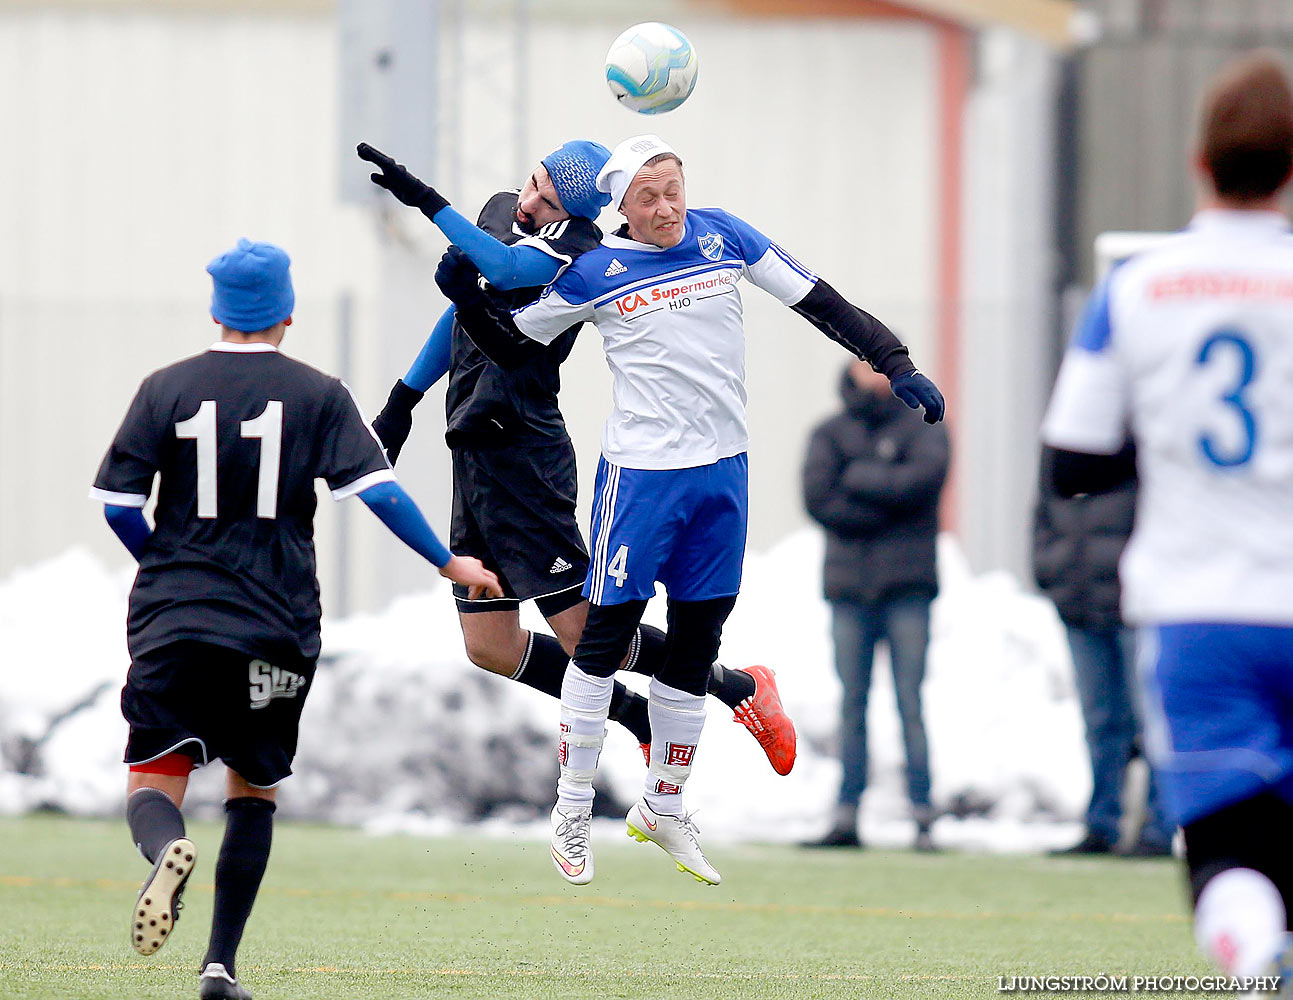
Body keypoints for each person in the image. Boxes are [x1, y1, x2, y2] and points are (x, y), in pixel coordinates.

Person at [437, 133, 945, 886]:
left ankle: (663, 805)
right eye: (649, 196)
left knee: (694, 639)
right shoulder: (593, 271)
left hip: (722, 478)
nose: (667, 205)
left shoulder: (724, 235)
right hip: (640, 480)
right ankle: (572, 809)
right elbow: (512, 345)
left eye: (674, 188)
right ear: (621, 210)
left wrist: (893, 360)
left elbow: (821, 302)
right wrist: (464, 299)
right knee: (597, 639)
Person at [89, 239, 500, 1000]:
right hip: (275, 630)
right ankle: (219, 968)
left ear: (215, 309)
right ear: (287, 312)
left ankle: (165, 852)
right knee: (253, 787)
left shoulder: (164, 389)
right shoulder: (317, 394)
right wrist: (450, 563)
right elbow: (377, 491)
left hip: (174, 623)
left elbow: (116, 503)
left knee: (155, 775)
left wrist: (163, 563)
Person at [355, 141, 796, 778]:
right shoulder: (503, 211)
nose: (529, 202)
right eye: (531, 184)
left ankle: (739, 688)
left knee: (593, 641)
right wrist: (404, 399)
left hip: (525, 459)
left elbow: (503, 273)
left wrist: (426, 201)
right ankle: (641, 716)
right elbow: (461, 308)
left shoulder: (579, 252)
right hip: (473, 453)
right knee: (489, 646)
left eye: (549, 199)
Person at [1041, 51, 1293, 985]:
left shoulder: (1138, 287)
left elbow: (1070, 460)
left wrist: (1165, 439)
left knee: (1228, 854)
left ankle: (1249, 953)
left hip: (1198, 609)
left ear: (1199, 162)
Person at [800, 359, 949, 852]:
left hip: (908, 587)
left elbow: (922, 484)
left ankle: (923, 814)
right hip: (850, 590)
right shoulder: (828, 432)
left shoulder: (922, 424)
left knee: (911, 702)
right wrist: (886, 489)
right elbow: (819, 499)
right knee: (852, 704)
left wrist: (858, 478)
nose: (872, 374)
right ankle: (847, 814)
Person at [1032, 447, 1174, 858]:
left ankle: (1157, 828)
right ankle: (1101, 822)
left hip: (1136, 606)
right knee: (1100, 722)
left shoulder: (1144, 440)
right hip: (1078, 601)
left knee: (1150, 721)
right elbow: (1042, 512)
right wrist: (1049, 569)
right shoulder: (1061, 448)